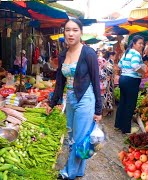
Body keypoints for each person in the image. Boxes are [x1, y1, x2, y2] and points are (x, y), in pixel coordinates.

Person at [47, 19, 102, 180]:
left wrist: (98, 109)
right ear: (64, 32)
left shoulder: (88, 53)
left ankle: (68, 173)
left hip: (86, 98)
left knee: (79, 138)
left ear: (81, 32)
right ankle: (79, 170)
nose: (71, 33)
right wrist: (53, 101)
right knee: (73, 136)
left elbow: (96, 81)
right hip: (70, 98)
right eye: (68, 30)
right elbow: (60, 80)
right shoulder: (63, 53)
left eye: (75, 30)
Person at [115, 35, 146, 134]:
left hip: (123, 79)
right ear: (134, 43)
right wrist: (143, 72)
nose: (141, 45)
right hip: (131, 80)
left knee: (123, 102)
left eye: (142, 43)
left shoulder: (126, 53)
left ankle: (118, 125)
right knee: (130, 104)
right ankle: (126, 129)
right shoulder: (136, 54)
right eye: (139, 43)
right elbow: (135, 66)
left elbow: (119, 65)